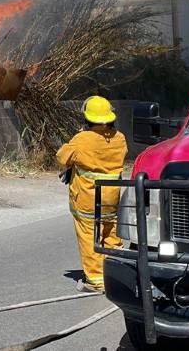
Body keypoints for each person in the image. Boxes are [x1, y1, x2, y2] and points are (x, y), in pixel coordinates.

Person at [57, 95, 128, 292]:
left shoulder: (82, 139)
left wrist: (81, 135)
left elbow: (62, 157)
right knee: (111, 234)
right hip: (111, 196)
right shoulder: (120, 138)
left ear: (87, 118)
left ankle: (96, 280)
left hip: (88, 197)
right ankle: (117, 274)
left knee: (89, 236)